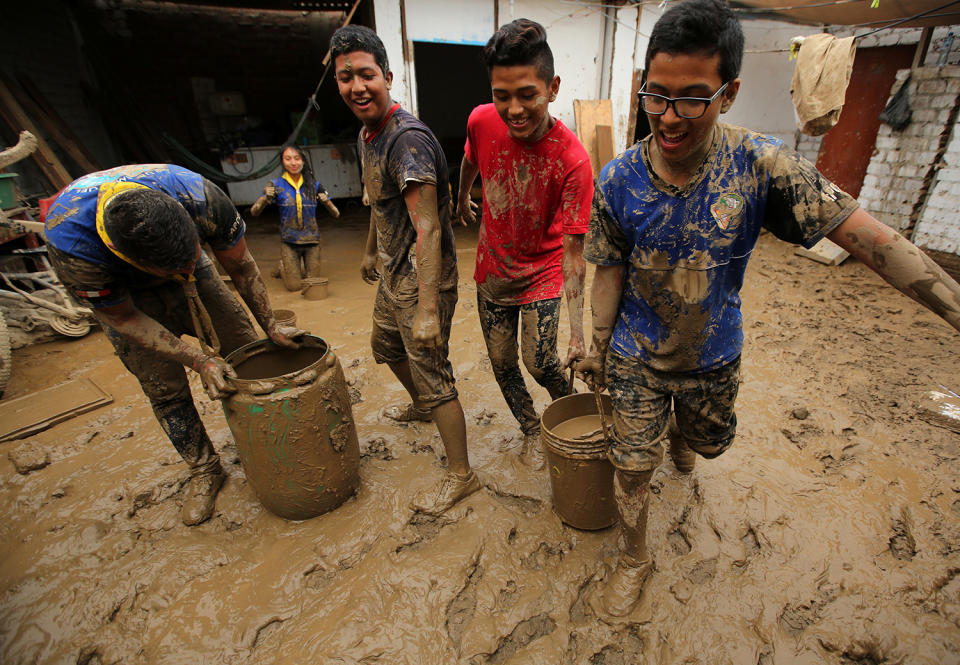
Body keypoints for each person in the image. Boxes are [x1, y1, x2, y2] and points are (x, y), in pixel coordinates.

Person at [574, 0, 960, 617]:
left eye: (693, 98)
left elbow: (873, 240)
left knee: (706, 447)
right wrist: (594, 345)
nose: (670, 118)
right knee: (629, 463)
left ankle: (682, 436)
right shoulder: (619, 179)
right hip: (635, 354)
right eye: (657, 95)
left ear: (729, 93)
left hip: (713, 353)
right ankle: (633, 557)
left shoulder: (760, 166)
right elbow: (606, 271)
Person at [44, 164, 304, 526]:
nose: (183, 271)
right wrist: (198, 361)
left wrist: (271, 324)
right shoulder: (74, 246)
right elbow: (122, 318)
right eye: (174, 270)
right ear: (133, 260)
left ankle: (268, 443)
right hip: (130, 301)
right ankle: (205, 469)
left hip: (198, 272)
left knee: (248, 355)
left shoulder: (200, 197)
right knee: (163, 388)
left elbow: (242, 268)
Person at [330, 25, 479, 516]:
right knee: (383, 347)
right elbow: (377, 200)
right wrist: (372, 250)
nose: (357, 86)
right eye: (345, 76)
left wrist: (430, 309)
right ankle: (422, 405)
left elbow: (431, 229)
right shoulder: (366, 132)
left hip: (422, 280)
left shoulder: (405, 141)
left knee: (434, 372)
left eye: (366, 74)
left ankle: (462, 475)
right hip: (393, 272)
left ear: (388, 76)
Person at [456, 19, 593, 469]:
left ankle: (572, 414)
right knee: (501, 361)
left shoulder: (572, 159)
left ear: (552, 88)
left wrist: (577, 333)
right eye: (502, 95)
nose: (513, 109)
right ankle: (532, 428)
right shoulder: (481, 120)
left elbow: (575, 254)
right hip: (491, 271)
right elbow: (470, 159)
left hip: (543, 272)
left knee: (541, 362)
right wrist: (461, 196)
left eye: (527, 95)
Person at [249, 144, 340, 291]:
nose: (293, 163)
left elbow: (336, 214)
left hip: (312, 241)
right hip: (289, 241)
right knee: (294, 287)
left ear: (303, 161)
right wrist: (265, 198)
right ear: (283, 162)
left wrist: (326, 202)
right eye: (288, 159)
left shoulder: (314, 185)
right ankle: (282, 266)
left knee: (312, 285)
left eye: (297, 158)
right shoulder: (276, 185)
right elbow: (254, 212)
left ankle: (294, 266)